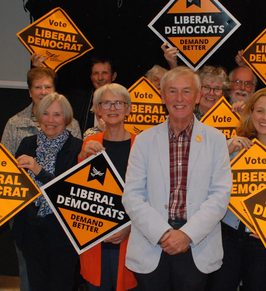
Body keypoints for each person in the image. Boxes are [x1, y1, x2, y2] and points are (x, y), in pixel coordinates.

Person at [122, 66, 232, 291]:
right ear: (162, 96)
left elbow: (220, 196)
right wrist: (163, 233)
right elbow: (132, 196)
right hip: (152, 244)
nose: (179, 98)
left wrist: (187, 234)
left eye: (186, 91)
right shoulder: (143, 140)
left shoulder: (216, 140)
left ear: (198, 95)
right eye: (172, 91)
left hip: (196, 247)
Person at [207, 87, 266, 291]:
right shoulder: (232, 147)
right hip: (226, 236)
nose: (265, 117)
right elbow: (200, 180)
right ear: (250, 113)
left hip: (265, 243)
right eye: (259, 111)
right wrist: (226, 150)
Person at [0, 67, 81, 291]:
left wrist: (38, 170)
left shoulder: (77, 148)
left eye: (57, 114)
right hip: (30, 232)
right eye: (45, 113)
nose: (51, 120)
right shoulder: (27, 144)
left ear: (66, 117)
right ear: (38, 117)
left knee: (60, 285)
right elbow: (12, 184)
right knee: (35, 284)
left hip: (63, 234)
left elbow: (69, 192)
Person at [78, 83, 137, 291]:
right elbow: (78, 192)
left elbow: (150, 195)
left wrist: (129, 226)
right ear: (98, 110)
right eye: (106, 103)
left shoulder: (141, 145)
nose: (113, 108)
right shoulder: (90, 144)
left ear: (128, 109)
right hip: (96, 240)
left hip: (131, 240)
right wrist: (83, 158)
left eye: (119, 103)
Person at [1, 67, 81, 157]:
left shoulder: (72, 124)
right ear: (30, 92)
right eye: (38, 87)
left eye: (48, 87)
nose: (43, 92)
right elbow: (4, 162)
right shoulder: (14, 124)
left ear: (55, 91)